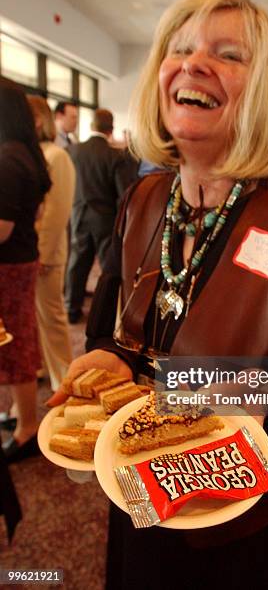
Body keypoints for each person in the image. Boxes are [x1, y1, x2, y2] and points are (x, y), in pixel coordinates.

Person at [49, 0, 268, 589]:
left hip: (239, 521)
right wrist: (107, 359)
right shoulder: (142, 200)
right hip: (138, 481)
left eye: (228, 54)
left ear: (265, 93)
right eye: (180, 48)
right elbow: (111, 333)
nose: (194, 63)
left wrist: (247, 394)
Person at [0, 78, 52, 462]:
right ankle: (22, 415)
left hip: (9, 262)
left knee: (14, 342)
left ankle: (27, 426)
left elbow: (1, 229)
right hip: (22, 256)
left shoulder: (8, 158)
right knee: (20, 337)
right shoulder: (27, 154)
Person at [64, 108, 135, 324]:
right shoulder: (116, 156)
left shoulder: (72, 151)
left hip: (78, 215)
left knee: (77, 263)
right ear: (111, 129)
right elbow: (124, 193)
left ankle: (72, 308)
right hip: (105, 219)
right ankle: (107, 312)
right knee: (108, 268)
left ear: (92, 126)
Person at [28, 96, 76, 392]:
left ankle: (66, 380)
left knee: (53, 318)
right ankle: (44, 368)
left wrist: (42, 254)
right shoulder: (33, 154)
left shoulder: (57, 156)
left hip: (46, 253)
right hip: (31, 252)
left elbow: (57, 212)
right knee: (35, 319)